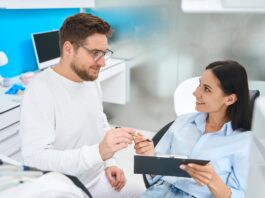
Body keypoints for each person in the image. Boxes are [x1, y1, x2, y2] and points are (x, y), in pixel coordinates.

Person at [20, 13, 144, 197]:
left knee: (147, 192)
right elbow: (36, 159)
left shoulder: (89, 77)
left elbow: (99, 120)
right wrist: (98, 153)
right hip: (64, 187)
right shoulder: (40, 91)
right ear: (68, 49)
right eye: (95, 53)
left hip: (97, 177)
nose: (102, 62)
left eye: (103, 53)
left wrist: (109, 162)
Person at [134, 61, 253, 198]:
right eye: (199, 84)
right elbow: (155, 176)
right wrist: (149, 155)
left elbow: (242, 195)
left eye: (207, 89)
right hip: (158, 192)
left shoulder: (244, 141)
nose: (196, 93)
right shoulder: (183, 122)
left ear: (230, 99)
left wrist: (213, 180)